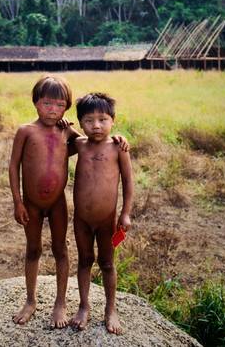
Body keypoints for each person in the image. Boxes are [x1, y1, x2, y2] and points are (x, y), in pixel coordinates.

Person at [9, 76, 128, 329]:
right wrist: (17, 201)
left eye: (59, 105)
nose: (53, 110)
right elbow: (13, 166)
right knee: (33, 250)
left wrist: (118, 138)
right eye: (47, 103)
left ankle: (60, 303)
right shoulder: (26, 131)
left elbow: (93, 140)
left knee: (61, 249)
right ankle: (30, 301)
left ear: (66, 107)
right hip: (30, 203)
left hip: (58, 204)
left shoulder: (67, 132)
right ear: (35, 103)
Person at [70, 92, 134, 335]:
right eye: (88, 120)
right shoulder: (78, 144)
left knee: (107, 263)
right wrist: (65, 128)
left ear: (113, 120)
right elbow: (63, 135)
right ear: (80, 121)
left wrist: (125, 214)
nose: (96, 125)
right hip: (81, 220)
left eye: (102, 119)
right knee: (85, 260)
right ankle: (84, 306)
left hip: (108, 220)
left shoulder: (118, 146)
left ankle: (110, 309)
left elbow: (128, 182)